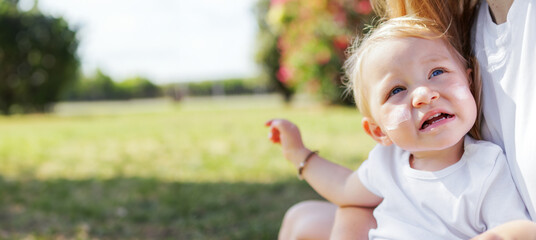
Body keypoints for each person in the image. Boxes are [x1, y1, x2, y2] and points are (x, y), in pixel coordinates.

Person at [269, 0, 536, 239]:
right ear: (378, 131)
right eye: (396, 90)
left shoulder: (486, 168)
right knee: (299, 216)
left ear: (468, 80)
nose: (423, 94)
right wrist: (300, 155)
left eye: (437, 71)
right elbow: (343, 187)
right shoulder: (388, 163)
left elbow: (522, 227)